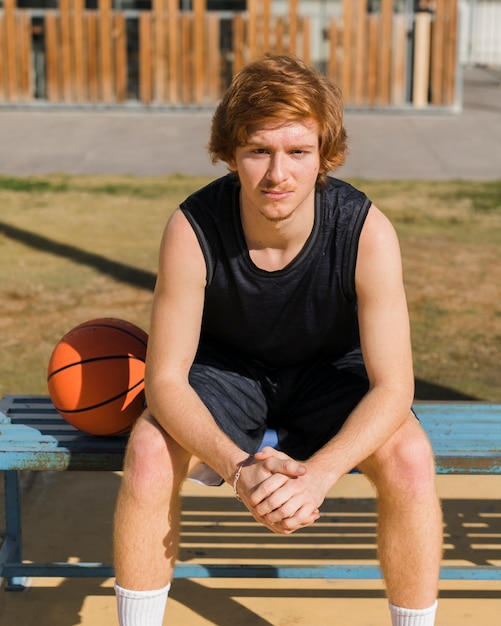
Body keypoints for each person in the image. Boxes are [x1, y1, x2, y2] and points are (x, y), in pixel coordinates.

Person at [113, 53, 443, 626]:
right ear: (231, 155)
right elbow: (164, 381)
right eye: (258, 151)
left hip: (329, 374)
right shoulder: (193, 229)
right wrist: (241, 470)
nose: (277, 174)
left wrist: (318, 475)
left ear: (324, 155)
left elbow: (395, 385)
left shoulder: (364, 230)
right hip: (229, 372)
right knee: (147, 453)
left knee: (411, 458)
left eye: (297, 151)